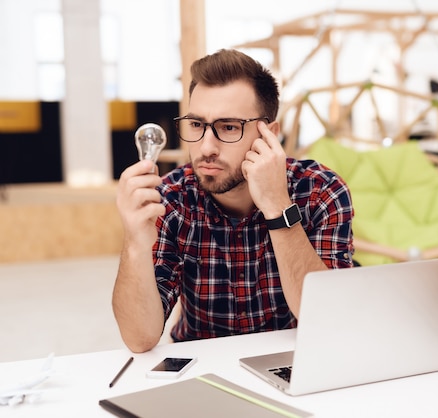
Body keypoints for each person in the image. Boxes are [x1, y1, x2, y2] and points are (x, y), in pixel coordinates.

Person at [113, 49, 354, 353]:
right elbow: (140, 338)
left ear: (269, 135)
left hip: (295, 361)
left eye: (228, 127)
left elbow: (328, 319)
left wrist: (277, 206)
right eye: (197, 125)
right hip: (202, 368)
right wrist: (134, 242)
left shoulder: (320, 190)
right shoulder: (171, 198)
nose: (206, 147)